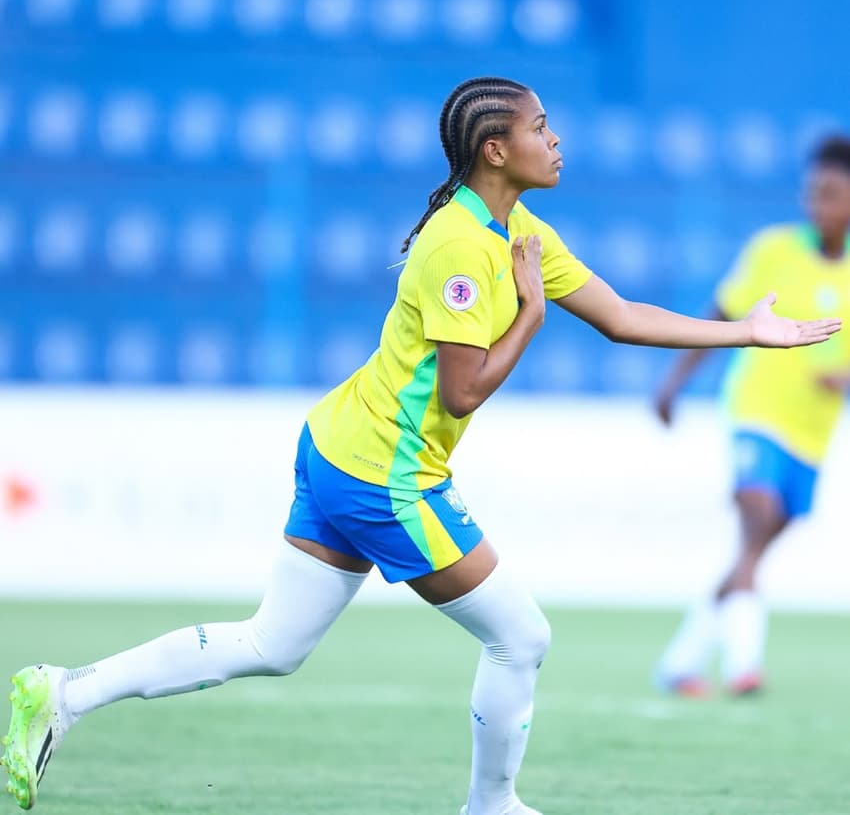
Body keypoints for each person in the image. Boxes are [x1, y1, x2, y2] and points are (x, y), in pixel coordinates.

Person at [1, 77, 841, 815]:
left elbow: (622, 316)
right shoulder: (460, 248)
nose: (557, 140)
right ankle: (491, 806)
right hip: (383, 474)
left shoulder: (514, 228)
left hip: (341, 447)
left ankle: (63, 694)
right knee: (521, 636)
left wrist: (747, 332)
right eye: (541, 127)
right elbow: (461, 393)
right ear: (495, 148)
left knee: (272, 645)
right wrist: (531, 317)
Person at [653, 136, 850, 698]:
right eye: (812, 192)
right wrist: (674, 382)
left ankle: (680, 661)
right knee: (755, 520)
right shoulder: (773, 250)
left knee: (750, 551)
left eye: (830, 193)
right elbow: (721, 314)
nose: (816, 204)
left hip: (812, 433)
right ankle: (745, 665)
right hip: (757, 411)